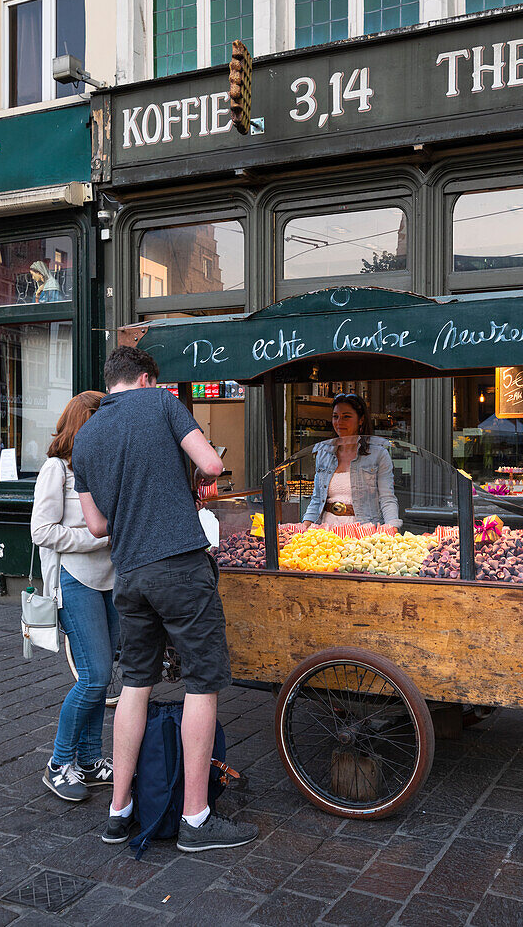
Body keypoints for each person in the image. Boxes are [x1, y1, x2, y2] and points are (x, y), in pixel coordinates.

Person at [72, 345, 258, 853]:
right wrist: (196, 481)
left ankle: (118, 812)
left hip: (128, 574)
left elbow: (97, 526)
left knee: (135, 684)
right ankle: (196, 818)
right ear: (147, 378)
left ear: (111, 382)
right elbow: (212, 464)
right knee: (202, 680)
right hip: (178, 565)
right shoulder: (161, 403)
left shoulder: (84, 438)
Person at [31, 391, 117, 804]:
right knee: (96, 676)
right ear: (86, 423)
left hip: (110, 581)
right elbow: (41, 531)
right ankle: (58, 762)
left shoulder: (99, 465)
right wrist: (93, 539)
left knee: (100, 678)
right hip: (75, 579)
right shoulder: (55, 469)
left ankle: (89, 759)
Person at [302, 393, 401, 531]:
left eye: (346, 416)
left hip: (363, 529)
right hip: (326, 530)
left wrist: (392, 527)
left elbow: (387, 498)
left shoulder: (378, 454)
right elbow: (317, 499)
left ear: (361, 420)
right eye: (335, 416)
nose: (339, 422)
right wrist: (303, 528)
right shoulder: (324, 454)